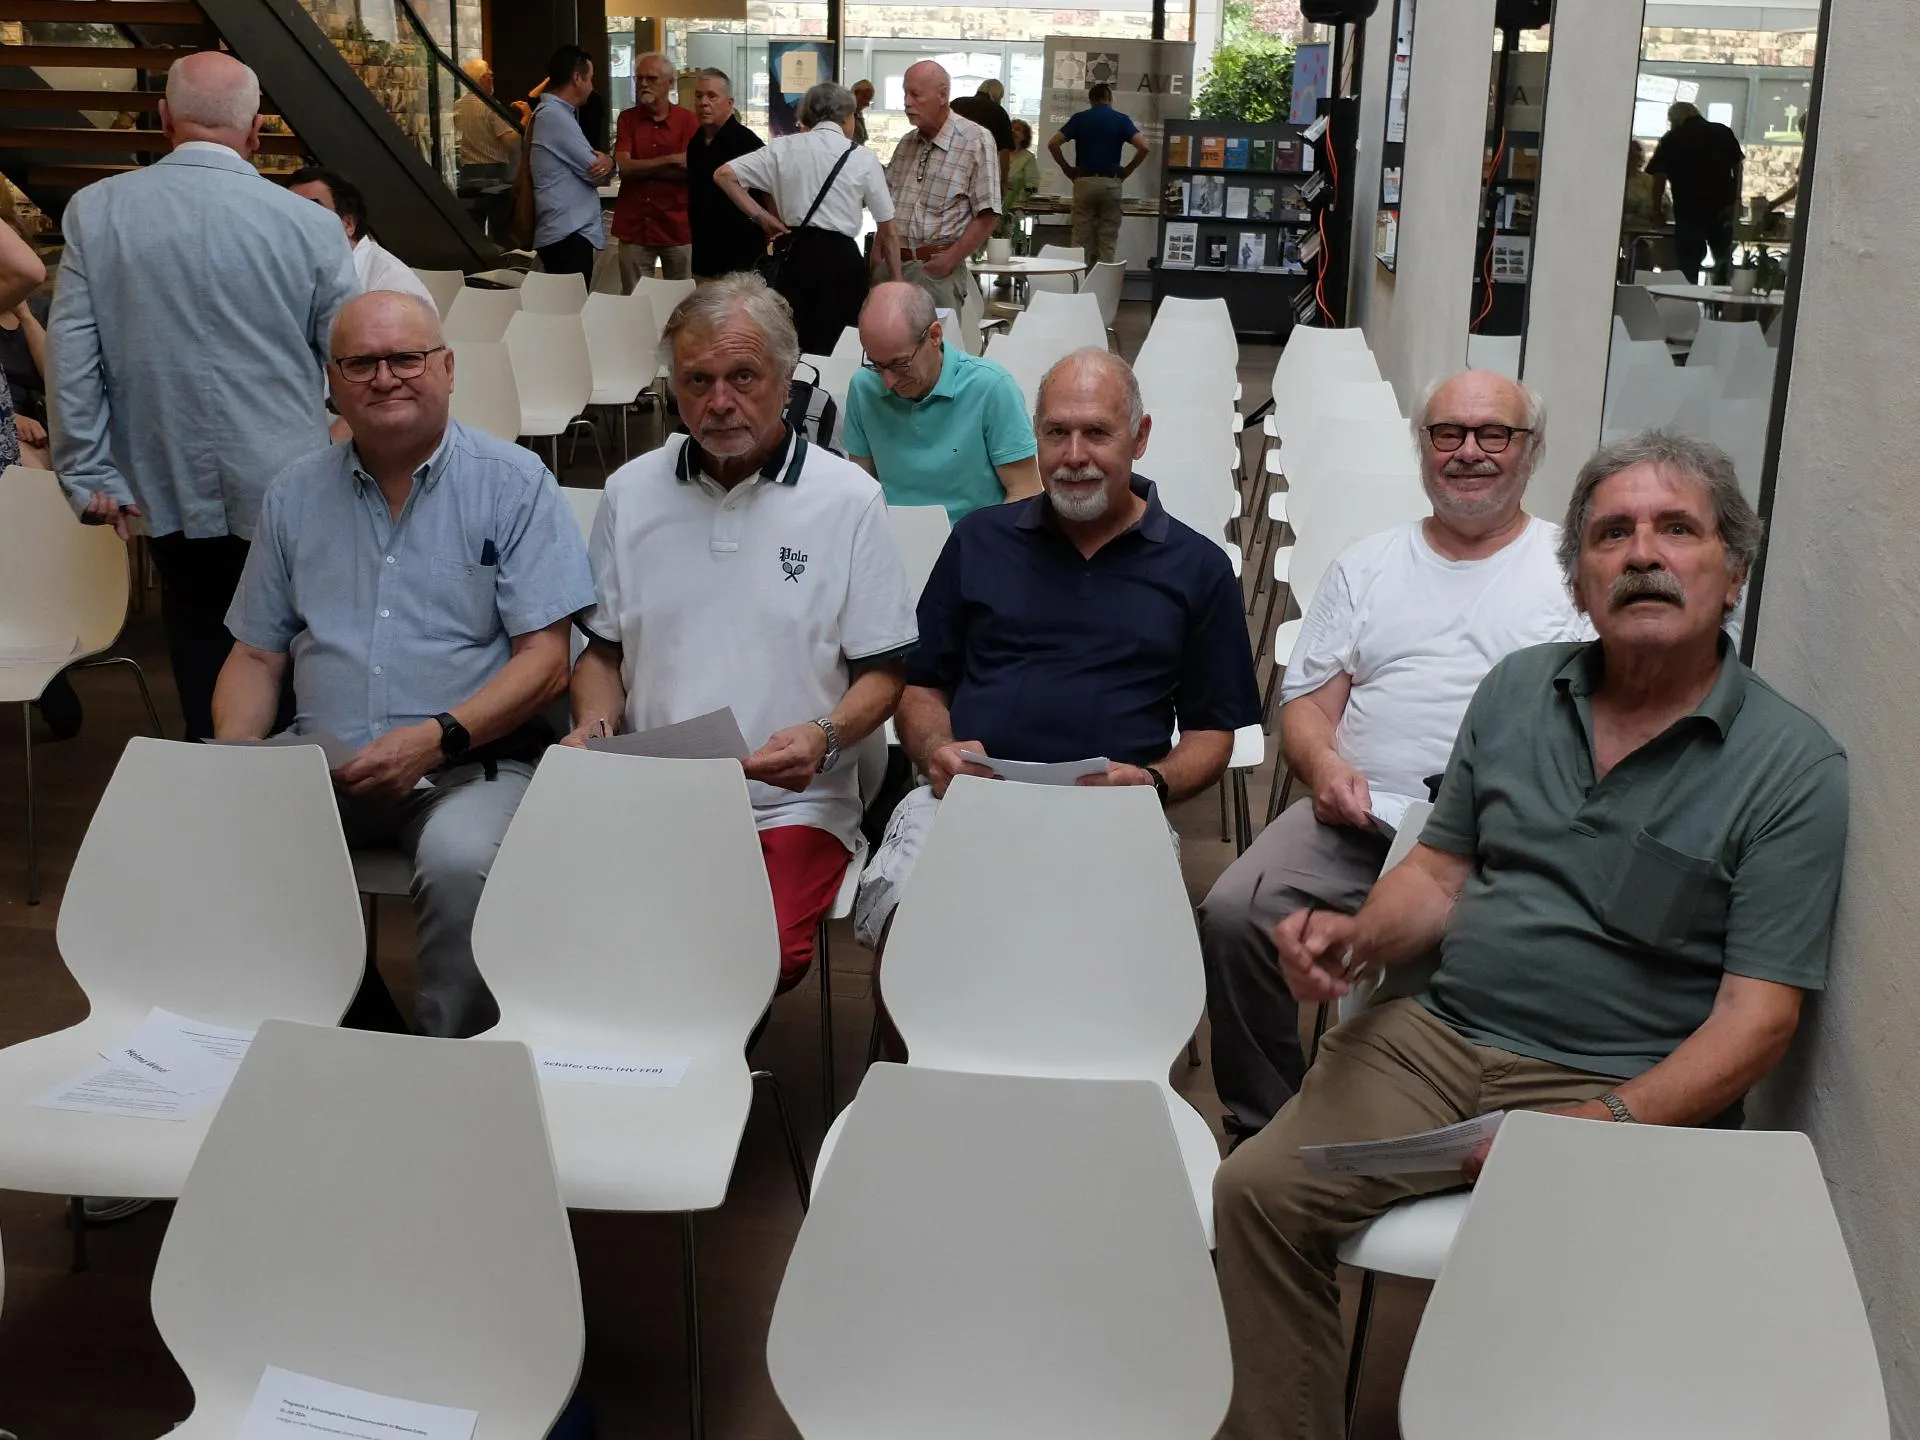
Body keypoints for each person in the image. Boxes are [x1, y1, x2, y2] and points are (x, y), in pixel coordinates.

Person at [1210, 429, 1848, 1440]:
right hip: (1434, 1044)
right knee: (1256, 1194)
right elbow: (1439, 873)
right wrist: (1358, 936)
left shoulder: (1792, 767)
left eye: (1676, 530)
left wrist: (1598, 1122)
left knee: (1562, 1327)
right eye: (1612, 534)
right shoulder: (1517, 691)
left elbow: (1757, 1020)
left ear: (1732, 574)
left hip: (1617, 1080)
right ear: (1579, 581)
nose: (1642, 554)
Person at [1197, 372, 1589, 1140]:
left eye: (1493, 434)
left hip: (1512, 840)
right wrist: (1325, 768)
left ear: (1532, 449)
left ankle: (1471, 1138)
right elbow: (1309, 709)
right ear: (1423, 447)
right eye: (1448, 433)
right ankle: (1265, 1124)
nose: (1468, 451)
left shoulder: (1570, 573)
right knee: (1236, 911)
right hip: (1362, 823)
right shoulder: (1366, 565)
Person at [213, 291, 595, 1038]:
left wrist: (433, 737)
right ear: (333, 381)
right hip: (321, 768)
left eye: (406, 358)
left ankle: (451, 1064)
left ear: (447, 368)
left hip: (468, 768)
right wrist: (238, 761)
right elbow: (255, 654)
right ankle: (347, 1034)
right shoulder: (294, 494)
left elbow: (547, 662)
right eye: (360, 363)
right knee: (216, 836)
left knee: (461, 864)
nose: (385, 377)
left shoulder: (515, 483)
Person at [568, 273, 917, 991]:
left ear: (786, 380)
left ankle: (679, 1053)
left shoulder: (848, 500)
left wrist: (825, 735)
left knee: (755, 952)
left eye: (742, 377)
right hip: (652, 792)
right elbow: (602, 653)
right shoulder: (630, 492)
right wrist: (593, 730)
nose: (719, 401)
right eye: (697, 380)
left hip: (794, 803)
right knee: (582, 936)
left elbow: (884, 675)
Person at [855, 347, 1261, 950]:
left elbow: (1211, 734)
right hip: (968, 798)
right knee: (909, 935)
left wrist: (1153, 782)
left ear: (1140, 437)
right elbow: (922, 686)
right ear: (1035, 437)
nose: (1074, 456)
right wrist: (937, 749)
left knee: (1119, 955)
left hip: (1113, 815)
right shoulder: (978, 541)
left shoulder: (1197, 569)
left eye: (1096, 432)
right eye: (1056, 433)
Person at [48, 52, 357, 743]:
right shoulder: (310, 224)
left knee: (194, 632)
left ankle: (211, 766)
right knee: (288, 637)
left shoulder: (97, 212)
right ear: (256, 130)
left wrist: (87, 471)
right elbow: (351, 357)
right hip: (287, 474)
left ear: (164, 119)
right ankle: (292, 779)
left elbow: (73, 359)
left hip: (160, 474)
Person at [715, 82, 903, 355]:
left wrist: (763, 218)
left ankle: (796, 384)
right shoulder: (862, 158)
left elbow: (724, 175)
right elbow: (888, 229)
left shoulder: (782, 148)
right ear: (846, 117)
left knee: (792, 342)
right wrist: (897, 279)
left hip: (794, 254)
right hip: (841, 260)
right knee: (841, 346)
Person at [843, 282, 1037, 522]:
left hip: (972, 539)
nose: (888, 381)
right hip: (892, 536)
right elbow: (861, 489)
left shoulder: (991, 388)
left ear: (934, 336)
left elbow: (1025, 492)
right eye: (876, 365)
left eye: (899, 364)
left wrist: (983, 542)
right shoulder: (864, 387)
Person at [881, 60, 1000, 315]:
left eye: (915, 94)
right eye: (905, 94)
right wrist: (878, 256)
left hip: (934, 272)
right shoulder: (906, 143)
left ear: (943, 95)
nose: (907, 103)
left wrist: (948, 261)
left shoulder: (975, 140)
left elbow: (988, 215)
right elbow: (886, 205)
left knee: (932, 341)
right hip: (891, 268)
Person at [287, 166, 438, 310]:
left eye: (311, 212)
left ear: (348, 224)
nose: (296, 224)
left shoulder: (392, 288)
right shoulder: (300, 272)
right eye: (289, 215)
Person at [613, 52, 699, 288]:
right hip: (635, 226)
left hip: (676, 225)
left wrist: (640, 168)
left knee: (681, 299)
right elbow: (625, 168)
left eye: (651, 78)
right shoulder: (627, 119)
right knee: (635, 300)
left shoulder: (688, 121)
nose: (643, 84)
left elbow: (688, 171)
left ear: (670, 84)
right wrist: (670, 159)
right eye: (639, 78)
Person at [530, 46, 614, 285]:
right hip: (567, 232)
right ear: (577, 77)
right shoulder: (554, 116)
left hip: (565, 231)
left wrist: (607, 164)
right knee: (571, 304)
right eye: (591, 78)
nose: (592, 86)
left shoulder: (555, 114)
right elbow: (595, 171)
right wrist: (610, 163)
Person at [1047, 83, 1150, 265]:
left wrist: (1067, 169)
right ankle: (1105, 281)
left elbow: (1053, 143)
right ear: (1110, 98)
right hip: (1110, 183)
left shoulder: (1080, 119)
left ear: (1091, 100)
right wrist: (1127, 171)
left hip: (1084, 182)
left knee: (1080, 240)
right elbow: (1144, 147)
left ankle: (1078, 280)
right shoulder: (1121, 119)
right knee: (1107, 241)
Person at [1647, 100, 1744, 283]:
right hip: (1723, 207)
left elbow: (1659, 177)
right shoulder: (1723, 132)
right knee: (1723, 261)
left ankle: (1688, 297)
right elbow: (1738, 168)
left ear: (1675, 119)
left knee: (1689, 264)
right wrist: (1738, 198)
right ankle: (1722, 298)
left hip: (1689, 209)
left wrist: (1656, 209)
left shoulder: (1671, 139)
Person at [685, 68, 766, 280]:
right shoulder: (695, 143)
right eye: (699, 96)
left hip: (740, 258)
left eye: (712, 96)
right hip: (704, 254)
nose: (704, 103)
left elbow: (766, 196)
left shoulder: (747, 143)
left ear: (729, 104)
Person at [0, 210, 49, 470]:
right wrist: (12, 418)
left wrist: (26, 317)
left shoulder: (42, 308)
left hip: (48, 417)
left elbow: (56, 377)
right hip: (10, 422)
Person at [454, 57, 518, 241]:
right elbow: (509, 142)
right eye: (490, 75)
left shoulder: (458, 105)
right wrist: (524, 122)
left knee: (474, 227)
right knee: (500, 227)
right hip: (494, 172)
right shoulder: (490, 105)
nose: (492, 79)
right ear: (483, 79)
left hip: (468, 171)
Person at [951, 78, 1015, 185]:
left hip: (952, 166)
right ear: (998, 95)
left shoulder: (956, 103)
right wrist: (1003, 182)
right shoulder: (999, 112)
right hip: (981, 172)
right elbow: (1005, 152)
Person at [994, 119, 1039, 244]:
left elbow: (1032, 183)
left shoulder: (1028, 158)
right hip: (994, 205)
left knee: (1010, 235)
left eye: (1018, 129)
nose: (1013, 131)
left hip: (1016, 207)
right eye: (1011, 128)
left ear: (1024, 137)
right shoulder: (996, 154)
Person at [1622, 139, 1664, 230]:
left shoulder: (1649, 180)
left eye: (1638, 154)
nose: (1634, 158)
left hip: (1646, 228)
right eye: (1631, 156)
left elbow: (1660, 205)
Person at [851, 78, 875, 146]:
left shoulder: (858, 113)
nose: (867, 105)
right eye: (865, 98)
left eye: (869, 101)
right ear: (856, 93)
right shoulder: (842, 113)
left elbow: (863, 139)